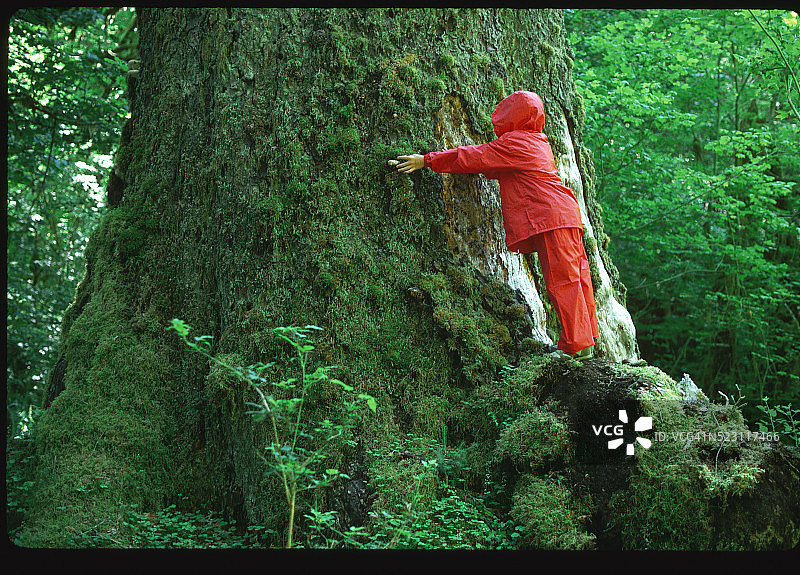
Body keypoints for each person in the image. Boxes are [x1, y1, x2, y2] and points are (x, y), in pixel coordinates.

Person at [395, 90, 598, 359]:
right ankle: (585, 339)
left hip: (551, 218)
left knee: (562, 280)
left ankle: (576, 345)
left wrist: (427, 160)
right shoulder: (537, 141)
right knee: (577, 276)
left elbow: (476, 156)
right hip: (565, 214)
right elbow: (494, 166)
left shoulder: (516, 142)